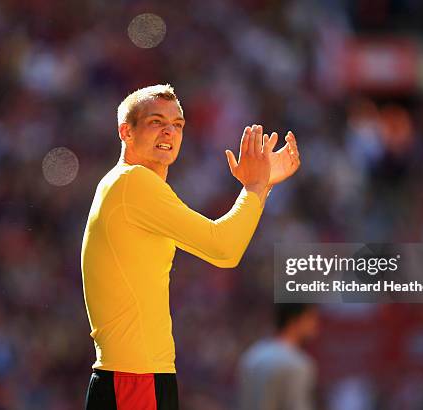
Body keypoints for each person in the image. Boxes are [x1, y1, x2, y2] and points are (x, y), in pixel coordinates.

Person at [80, 84, 300, 410]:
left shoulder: (124, 184)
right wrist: (256, 185)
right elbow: (224, 248)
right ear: (126, 132)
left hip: (128, 377)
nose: (170, 131)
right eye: (156, 122)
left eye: (178, 124)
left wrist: (261, 185)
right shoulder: (133, 183)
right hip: (135, 380)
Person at [238, 304, 320, 410]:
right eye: (311, 318)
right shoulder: (297, 364)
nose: (315, 325)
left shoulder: (252, 355)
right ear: (296, 319)